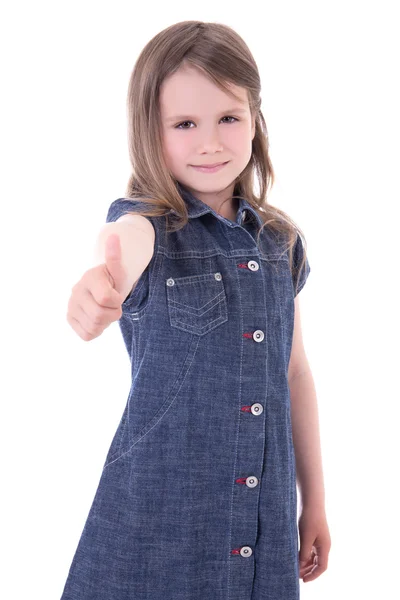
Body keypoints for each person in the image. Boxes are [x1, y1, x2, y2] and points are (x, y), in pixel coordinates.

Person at [62, 20, 331, 600]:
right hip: (155, 524)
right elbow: (116, 253)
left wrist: (315, 502)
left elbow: (295, 372)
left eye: (228, 119)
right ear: (150, 132)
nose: (210, 142)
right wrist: (93, 290)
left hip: (261, 523)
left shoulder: (280, 243)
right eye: (185, 124)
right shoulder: (146, 230)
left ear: (255, 120)